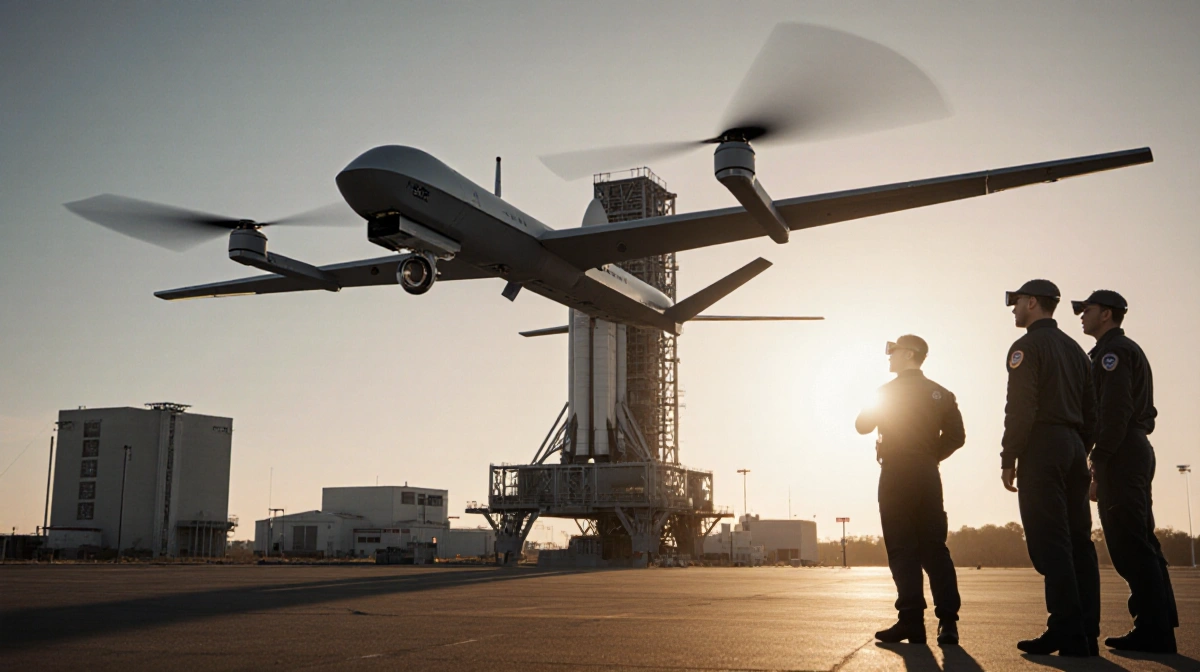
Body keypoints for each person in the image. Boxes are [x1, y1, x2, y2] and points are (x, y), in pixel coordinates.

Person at [1073, 289, 1179, 653]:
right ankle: (1158, 626)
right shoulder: (1117, 350)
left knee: (1129, 543)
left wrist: (1098, 463)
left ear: (1106, 314)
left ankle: (1154, 629)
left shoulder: (1112, 353)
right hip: (1130, 449)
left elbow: (1114, 412)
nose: (1081, 315)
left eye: (1086, 310)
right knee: (1140, 541)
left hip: (1121, 452)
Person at [1000, 279, 1100, 657]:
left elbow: (1020, 408)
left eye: (1016, 303)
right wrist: (1081, 448)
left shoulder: (1026, 347)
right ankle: (1086, 632)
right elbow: (1093, 411)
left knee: (1050, 542)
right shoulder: (1077, 350)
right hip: (1075, 446)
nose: (1013, 310)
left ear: (1031, 302)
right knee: (1079, 542)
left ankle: (1065, 630)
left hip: (1043, 447)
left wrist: (1009, 457)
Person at [856, 334, 965, 646]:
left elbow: (862, 425)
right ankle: (947, 623)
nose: (888, 356)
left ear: (909, 354)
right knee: (934, 547)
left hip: (896, 475)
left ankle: (911, 622)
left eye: (893, 351)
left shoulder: (886, 392)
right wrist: (930, 456)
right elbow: (957, 437)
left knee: (902, 547)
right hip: (928, 475)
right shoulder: (941, 393)